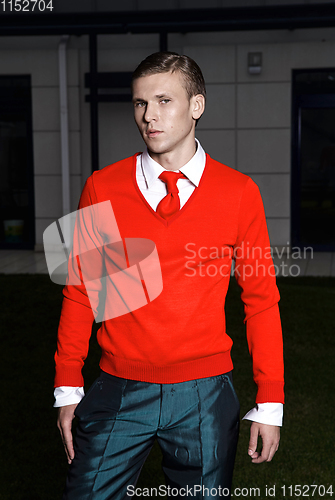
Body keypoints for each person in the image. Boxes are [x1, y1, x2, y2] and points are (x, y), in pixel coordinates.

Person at [54, 52, 284, 499]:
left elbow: (261, 299)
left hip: (204, 394)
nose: (149, 116)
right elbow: (82, 289)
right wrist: (67, 386)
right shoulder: (103, 186)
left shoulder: (239, 193)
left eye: (164, 101)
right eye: (141, 104)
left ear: (197, 105)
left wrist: (270, 400)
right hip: (119, 387)